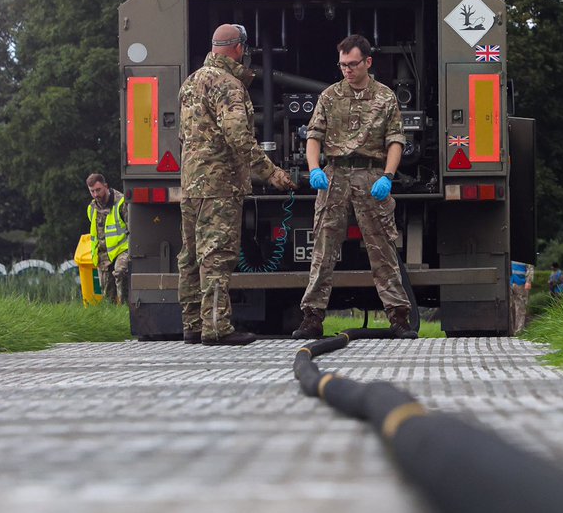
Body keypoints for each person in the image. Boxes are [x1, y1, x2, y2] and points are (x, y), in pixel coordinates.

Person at [293, 34, 417, 340]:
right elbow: (314, 136)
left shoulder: (385, 97)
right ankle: (312, 317)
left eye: (353, 64)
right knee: (323, 249)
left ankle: (399, 317)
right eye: (343, 65)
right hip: (334, 174)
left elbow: (395, 140)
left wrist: (387, 176)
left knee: (383, 249)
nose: (347, 70)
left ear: (367, 63)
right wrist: (313, 169)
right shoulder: (330, 96)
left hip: (371, 175)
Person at [178, 23, 293, 345]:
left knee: (190, 255)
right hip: (219, 184)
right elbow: (239, 136)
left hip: (191, 183)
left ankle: (192, 325)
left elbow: (184, 135)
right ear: (239, 48)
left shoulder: (190, 83)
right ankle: (216, 327)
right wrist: (270, 173)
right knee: (216, 256)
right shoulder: (229, 85)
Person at [86, 172, 130, 305]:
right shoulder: (92, 208)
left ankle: (126, 310)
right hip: (103, 254)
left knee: (121, 273)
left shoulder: (121, 203)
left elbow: (132, 229)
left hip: (122, 249)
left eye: (98, 190)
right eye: (92, 191)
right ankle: (113, 318)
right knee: (107, 294)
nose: (95, 194)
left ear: (106, 186)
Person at [509, 259, 534, 335]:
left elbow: (530, 268)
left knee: (520, 307)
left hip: (521, 283)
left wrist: (528, 281)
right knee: (510, 306)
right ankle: (511, 330)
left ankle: (519, 330)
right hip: (510, 282)